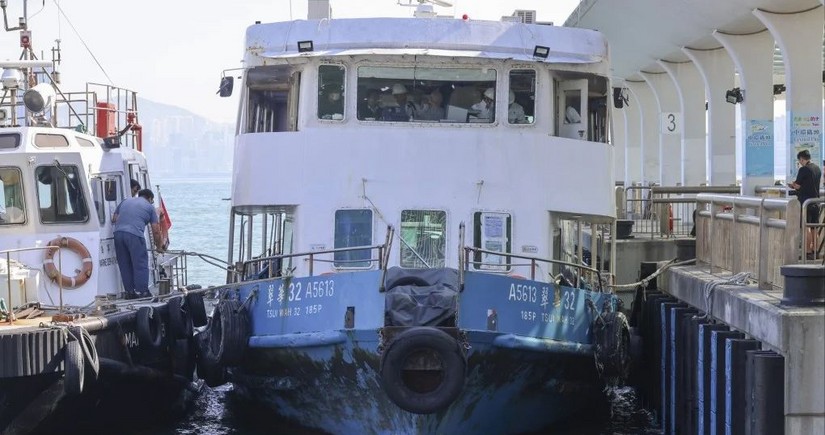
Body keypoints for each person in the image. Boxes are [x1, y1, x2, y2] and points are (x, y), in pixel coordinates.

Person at [112, 188, 164, 299]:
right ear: (150, 198)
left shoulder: (125, 201)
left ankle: (130, 293)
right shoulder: (150, 207)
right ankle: (143, 292)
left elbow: (114, 218)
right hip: (134, 235)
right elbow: (155, 230)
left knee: (124, 264)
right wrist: (159, 247)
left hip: (118, 233)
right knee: (140, 265)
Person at [787, 149, 822, 259]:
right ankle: (815, 251)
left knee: (806, 227)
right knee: (814, 228)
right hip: (815, 201)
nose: (800, 163)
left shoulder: (804, 169)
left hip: (805, 202)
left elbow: (798, 185)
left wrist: (792, 185)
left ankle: (807, 252)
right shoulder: (817, 169)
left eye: (800, 161)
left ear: (802, 159)